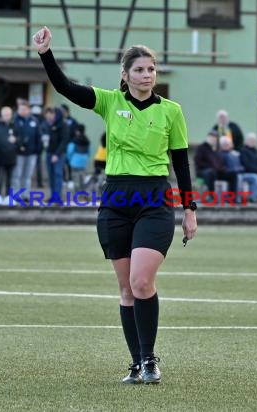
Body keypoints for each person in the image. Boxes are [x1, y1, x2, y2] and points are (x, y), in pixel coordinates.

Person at [33, 25, 197, 384]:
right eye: (139, 69)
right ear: (125, 75)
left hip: (154, 198)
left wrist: (189, 208)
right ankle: (136, 363)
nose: (146, 74)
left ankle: (151, 360)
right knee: (125, 289)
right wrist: (46, 53)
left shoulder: (171, 111)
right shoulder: (110, 101)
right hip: (116, 200)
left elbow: (181, 161)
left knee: (141, 282)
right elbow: (64, 88)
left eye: (151, 68)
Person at [194, 131, 238, 198]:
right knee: (210, 172)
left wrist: (223, 168)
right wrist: (211, 167)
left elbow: (220, 163)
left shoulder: (216, 149)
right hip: (204, 171)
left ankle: (232, 197)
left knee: (233, 173)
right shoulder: (201, 148)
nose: (213, 140)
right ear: (208, 138)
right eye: (212, 138)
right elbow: (198, 162)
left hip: (217, 172)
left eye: (215, 139)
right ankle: (211, 196)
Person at [12, 99, 42, 198]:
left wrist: (38, 150)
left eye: (24, 109)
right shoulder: (15, 120)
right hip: (18, 153)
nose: (22, 111)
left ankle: (25, 195)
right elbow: (12, 136)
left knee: (27, 176)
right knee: (17, 175)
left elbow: (39, 136)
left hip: (31, 153)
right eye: (20, 109)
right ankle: (16, 195)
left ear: (28, 110)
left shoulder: (34, 121)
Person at [219, 136, 257, 203]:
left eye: (228, 144)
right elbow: (222, 167)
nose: (227, 145)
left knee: (255, 177)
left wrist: (240, 169)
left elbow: (241, 165)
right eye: (225, 144)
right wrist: (234, 170)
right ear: (221, 145)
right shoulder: (220, 155)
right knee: (238, 178)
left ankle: (253, 197)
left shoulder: (235, 154)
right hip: (231, 174)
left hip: (241, 173)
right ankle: (238, 199)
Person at [0, 106, 17, 204]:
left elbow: (19, 137)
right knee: (0, 178)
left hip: (12, 156)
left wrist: (15, 141)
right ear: (1, 115)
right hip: (1, 156)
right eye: (5, 114)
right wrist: (4, 144)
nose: (7, 116)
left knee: (10, 179)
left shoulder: (14, 125)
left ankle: (8, 197)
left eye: (8, 114)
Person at [41, 106, 69, 200]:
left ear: (54, 114)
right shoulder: (47, 124)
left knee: (58, 174)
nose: (49, 118)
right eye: (47, 116)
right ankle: (53, 196)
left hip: (59, 154)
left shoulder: (63, 125)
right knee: (51, 175)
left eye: (50, 115)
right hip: (49, 153)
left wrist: (56, 154)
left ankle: (58, 196)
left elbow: (64, 141)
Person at [66, 124, 90, 191]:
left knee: (75, 177)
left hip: (74, 161)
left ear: (78, 131)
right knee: (82, 177)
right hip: (83, 162)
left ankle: (77, 192)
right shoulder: (87, 140)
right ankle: (83, 190)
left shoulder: (74, 140)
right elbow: (89, 152)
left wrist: (69, 159)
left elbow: (70, 151)